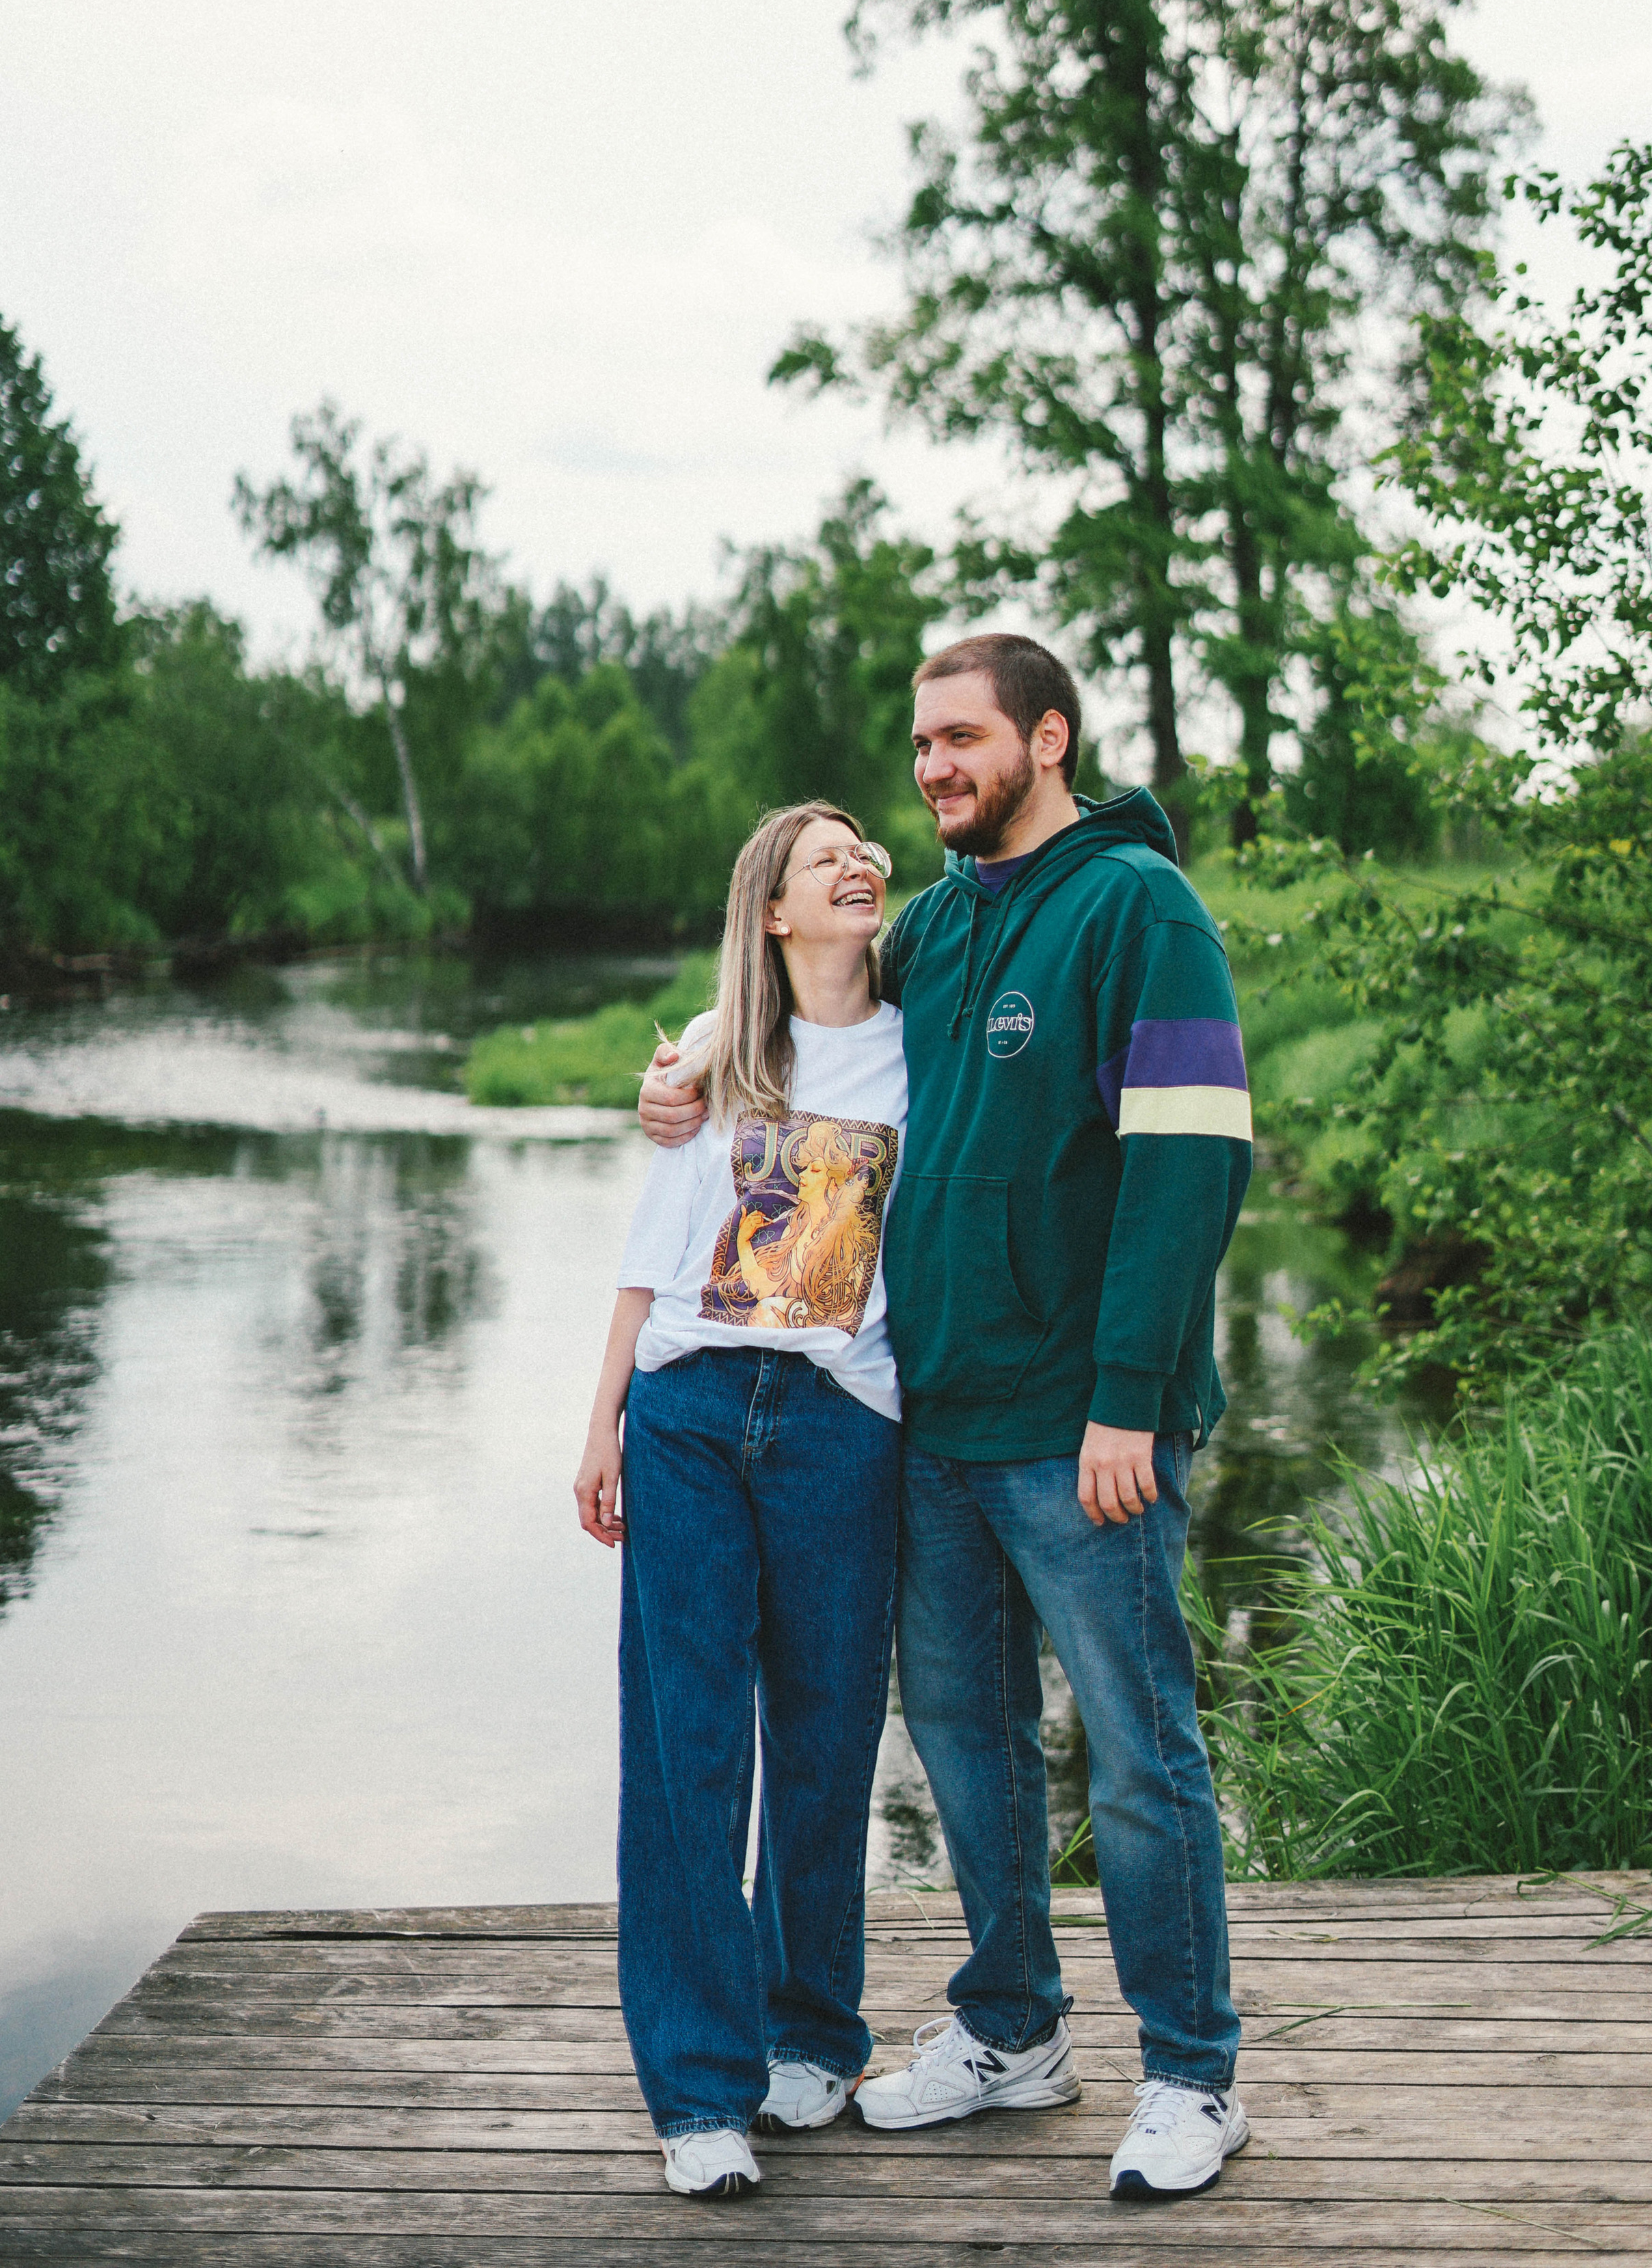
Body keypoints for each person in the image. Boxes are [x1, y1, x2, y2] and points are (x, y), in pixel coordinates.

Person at [641, 636, 1251, 2202]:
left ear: (1046, 741)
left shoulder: (1138, 911)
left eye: (961, 741)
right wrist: (693, 1057)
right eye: (920, 746)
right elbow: (802, 990)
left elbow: (1191, 1162)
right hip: (930, 1422)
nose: (932, 772)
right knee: (965, 1744)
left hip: (1082, 1432)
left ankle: (1189, 2073)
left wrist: (1132, 1398)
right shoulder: (938, 925)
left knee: (1135, 1749)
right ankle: (1010, 2029)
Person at [576, 801, 908, 2200]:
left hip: (843, 1421)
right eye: (816, 854)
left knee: (827, 1744)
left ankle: (811, 2034)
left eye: (860, 845)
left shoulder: (922, 1035)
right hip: (695, 1410)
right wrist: (602, 1418)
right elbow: (656, 1247)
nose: (853, 859)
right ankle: (700, 2091)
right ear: (769, 911)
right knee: (689, 1750)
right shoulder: (714, 1059)